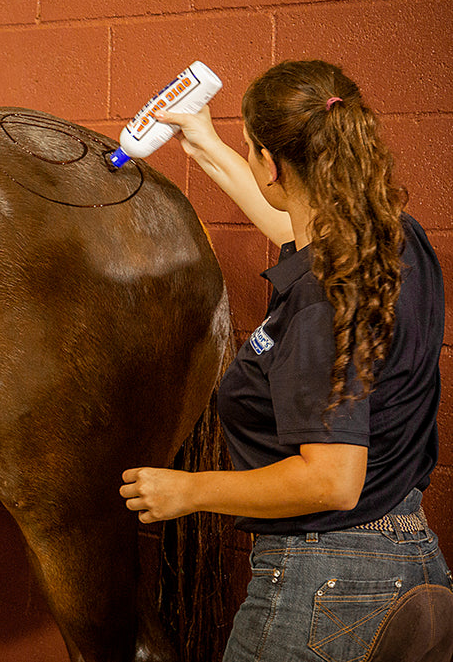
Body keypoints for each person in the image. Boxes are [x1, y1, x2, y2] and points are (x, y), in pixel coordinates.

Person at [119, 60, 450, 661]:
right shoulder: (397, 239)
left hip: (324, 588)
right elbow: (293, 222)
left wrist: (189, 492)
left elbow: (332, 479)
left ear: (272, 164)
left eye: (251, 151)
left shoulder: (319, 303)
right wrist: (209, 144)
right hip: (414, 570)